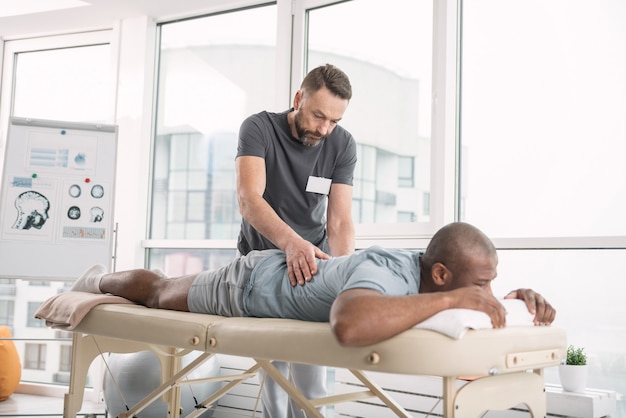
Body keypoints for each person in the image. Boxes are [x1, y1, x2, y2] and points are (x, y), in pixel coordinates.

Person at [71, 222, 556, 349]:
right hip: (251, 283)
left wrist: (512, 301)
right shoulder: (386, 269)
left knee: (161, 289)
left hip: (279, 283)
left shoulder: (436, 278)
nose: (484, 294)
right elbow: (348, 325)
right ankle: (96, 276)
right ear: (442, 276)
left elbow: (467, 300)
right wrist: (457, 299)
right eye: (481, 285)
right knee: (158, 290)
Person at [235, 63, 357, 416]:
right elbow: (249, 199)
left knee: (312, 374)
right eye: (318, 116)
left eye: (334, 121)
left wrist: (343, 270)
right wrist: (290, 244)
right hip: (262, 265)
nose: (324, 129)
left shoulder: (342, 144)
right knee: (274, 375)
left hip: (314, 263)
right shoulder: (258, 128)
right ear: (298, 98)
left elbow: (339, 219)